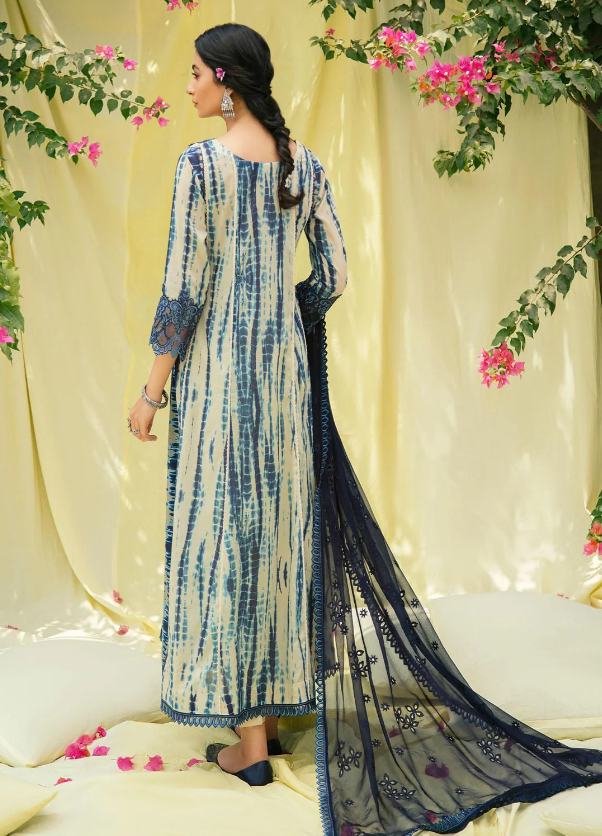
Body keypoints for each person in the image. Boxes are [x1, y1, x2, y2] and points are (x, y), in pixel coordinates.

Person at [128, 21, 602, 836]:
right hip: (286, 379)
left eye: (197, 73)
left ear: (227, 82)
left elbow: (183, 290)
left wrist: (151, 390)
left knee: (227, 536)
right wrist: (288, 316)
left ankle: (249, 742)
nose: (189, 85)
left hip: (217, 383)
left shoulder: (200, 167)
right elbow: (336, 274)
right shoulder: (303, 166)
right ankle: (265, 726)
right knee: (279, 535)